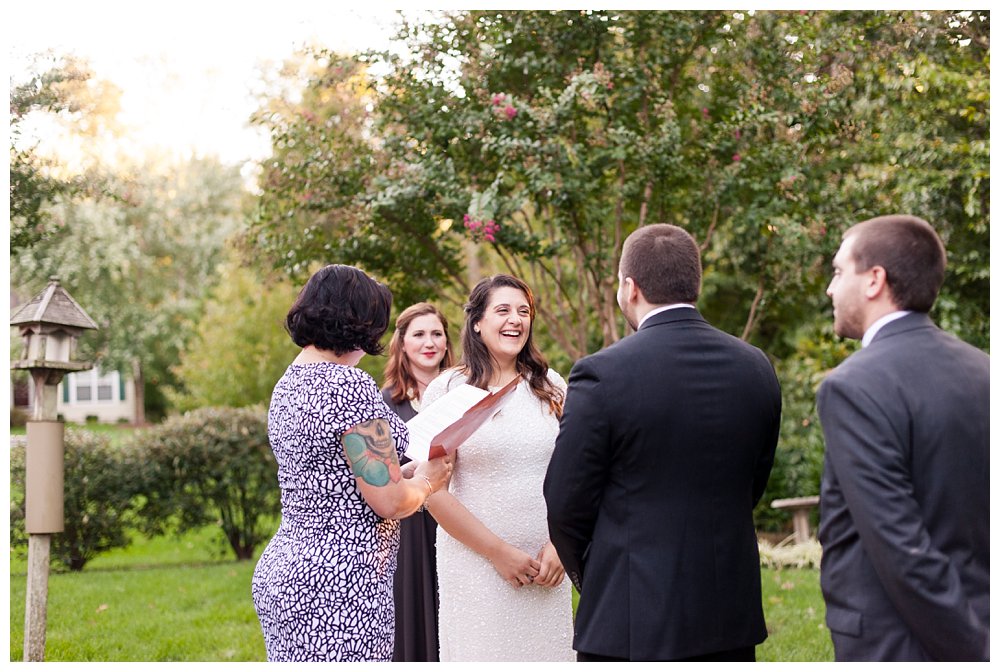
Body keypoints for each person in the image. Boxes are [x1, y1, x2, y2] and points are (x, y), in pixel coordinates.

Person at [544, 223, 781, 662]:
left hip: (633, 617)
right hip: (727, 611)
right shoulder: (756, 366)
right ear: (696, 283)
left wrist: (597, 571)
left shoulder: (601, 373)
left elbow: (564, 500)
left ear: (629, 288)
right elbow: (753, 482)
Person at [251, 264, 453, 662]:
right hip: (342, 583)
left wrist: (405, 473)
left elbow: (333, 473)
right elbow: (390, 502)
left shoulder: (289, 380)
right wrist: (428, 482)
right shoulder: (349, 385)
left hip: (287, 570)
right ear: (358, 323)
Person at [817, 214, 989, 661]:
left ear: (875, 280)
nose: (830, 289)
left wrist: (972, 649)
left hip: (896, 643)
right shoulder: (984, 371)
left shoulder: (853, 387)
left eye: (838, 272)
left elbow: (899, 547)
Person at [422, 274, 574, 661]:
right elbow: (432, 490)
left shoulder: (551, 386)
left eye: (524, 311)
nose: (516, 320)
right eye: (503, 310)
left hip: (548, 569)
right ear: (477, 321)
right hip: (476, 569)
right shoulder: (448, 390)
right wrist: (497, 552)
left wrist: (563, 545)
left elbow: (575, 475)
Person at [380, 302, 455, 662]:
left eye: (437, 334)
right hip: (411, 525)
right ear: (402, 343)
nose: (430, 343)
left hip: (461, 519)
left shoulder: (465, 393)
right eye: (420, 334)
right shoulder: (384, 404)